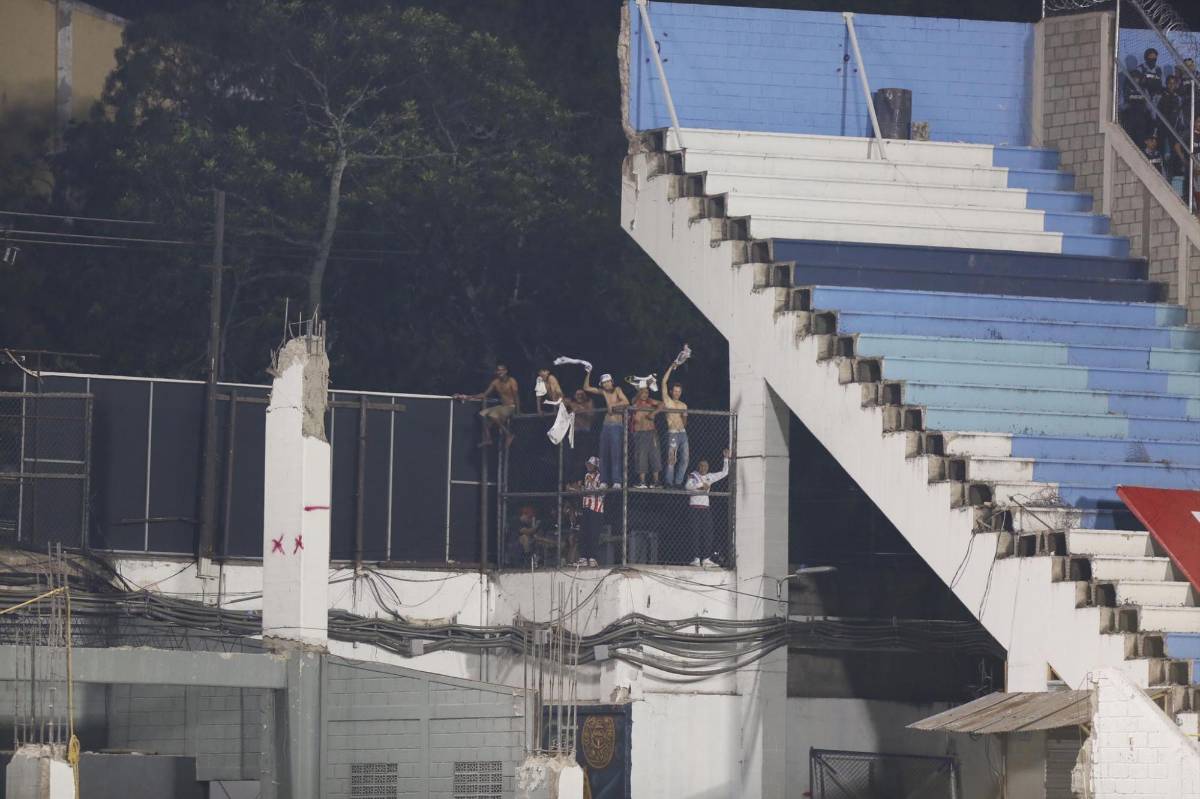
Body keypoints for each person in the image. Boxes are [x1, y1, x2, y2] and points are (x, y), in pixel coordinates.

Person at [583, 369, 629, 487]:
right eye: (604, 382)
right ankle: (603, 480)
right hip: (606, 425)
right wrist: (588, 372)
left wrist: (613, 405)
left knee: (616, 453)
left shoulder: (617, 390)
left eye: (608, 382)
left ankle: (617, 481)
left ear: (612, 382)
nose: (607, 384)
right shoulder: (603, 392)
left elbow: (626, 402)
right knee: (603, 453)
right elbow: (586, 388)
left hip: (616, 425)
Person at [455, 363, 519, 447]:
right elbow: (484, 395)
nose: (500, 372)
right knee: (482, 414)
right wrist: (466, 397)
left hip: (511, 407)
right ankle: (488, 439)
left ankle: (508, 435)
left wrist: (518, 410)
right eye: (498, 370)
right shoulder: (495, 382)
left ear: (506, 371)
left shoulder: (512, 381)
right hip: (502, 407)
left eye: (502, 370)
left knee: (492, 415)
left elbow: (516, 396)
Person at [686, 449, 731, 568]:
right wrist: (701, 487)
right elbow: (688, 487)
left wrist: (726, 459)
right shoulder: (693, 475)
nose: (704, 468)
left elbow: (724, 472)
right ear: (698, 466)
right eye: (701, 465)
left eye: (706, 466)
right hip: (694, 507)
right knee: (695, 533)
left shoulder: (710, 477)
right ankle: (696, 559)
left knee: (708, 533)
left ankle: (706, 558)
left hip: (705, 508)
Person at [659, 357, 689, 487]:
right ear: (672, 392)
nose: (677, 393)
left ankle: (678, 482)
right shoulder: (668, 401)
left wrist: (683, 424)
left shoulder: (683, 405)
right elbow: (663, 382)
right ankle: (669, 483)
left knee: (685, 459)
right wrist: (672, 367)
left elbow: (685, 419)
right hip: (672, 433)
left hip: (682, 433)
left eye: (679, 391)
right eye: (675, 391)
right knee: (671, 459)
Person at [1124, 48, 1164, 145]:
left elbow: (1160, 85)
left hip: (1154, 100)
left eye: (1154, 59)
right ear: (1146, 58)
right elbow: (1137, 83)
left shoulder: (1158, 70)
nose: (1153, 61)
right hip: (1142, 100)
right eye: (1150, 58)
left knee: (1153, 126)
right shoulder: (1140, 68)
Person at [574, 456, 604, 567]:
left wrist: (591, 483)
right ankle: (583, 557)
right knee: (584, 532)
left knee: (593, 533)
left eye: (591, 465)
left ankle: (593, 557)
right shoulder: (586, 475)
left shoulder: (600, 476)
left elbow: (600, 492)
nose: (588, 466)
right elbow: (586, 491)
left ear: (596, 466)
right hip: (586, 507)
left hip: (596, 509)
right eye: (588, 464)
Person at [630, 386, 662, 488]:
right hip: (640, 433)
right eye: (643, 392)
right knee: (641, 457)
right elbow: (633, 401)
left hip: (651, 432)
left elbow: (662, 404)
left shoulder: (650, 401)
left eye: (647, 392)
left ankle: (656, 482)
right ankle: (642, 482)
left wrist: (654, 413)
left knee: (655, 456)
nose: (645, 394)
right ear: (639, 392)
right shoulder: (635, 401)